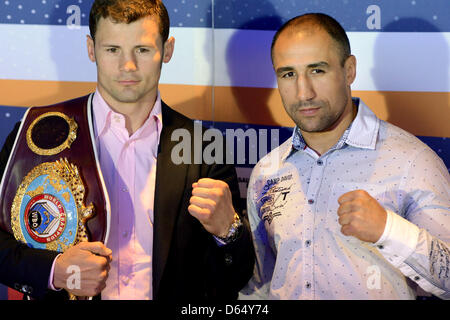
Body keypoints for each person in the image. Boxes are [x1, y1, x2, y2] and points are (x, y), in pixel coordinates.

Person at [0, 0, 254, 300]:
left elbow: (233, 277)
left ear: (167, 50)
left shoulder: (202, 146)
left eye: (142, 50)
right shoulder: (39, 131)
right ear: (91, 49)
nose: (128, 66)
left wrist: (229, 231)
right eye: (112, 50)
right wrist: (55, 270)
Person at [240, 13, 449, 299]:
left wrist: (388, 230)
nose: (303, 93)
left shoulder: (412, 161)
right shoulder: (268, 170)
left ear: (349, 70)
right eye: (288, 74)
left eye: (317, 70)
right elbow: (260, 285)